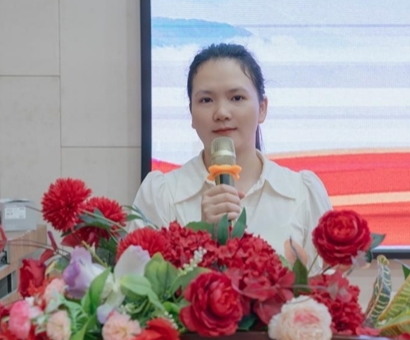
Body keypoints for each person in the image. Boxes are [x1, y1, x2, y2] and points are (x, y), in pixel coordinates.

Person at [130, 43, 332, 267]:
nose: (222, 113)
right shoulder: (161, 195)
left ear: (262, 108)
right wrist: (202, 236)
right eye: (206, 100)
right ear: (191, 114)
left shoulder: (302, 193)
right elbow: (135, 281)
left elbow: (326, 284)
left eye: (236, 98)